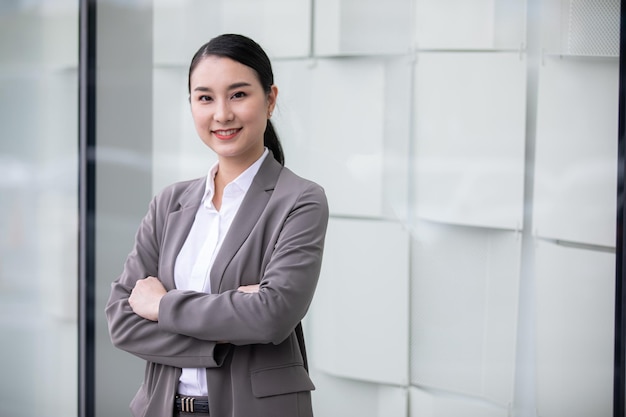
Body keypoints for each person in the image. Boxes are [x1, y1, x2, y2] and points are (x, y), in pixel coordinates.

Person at [105, 33, 329, 417]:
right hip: (163, 408)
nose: (222, 114)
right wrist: (223, 334)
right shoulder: (169, 203)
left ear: (270, 99)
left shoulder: (299, 200)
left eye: (239, 95)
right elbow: (123, 320)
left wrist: (161, 305)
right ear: (191, 104)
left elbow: (271, 316)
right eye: (205, 97)